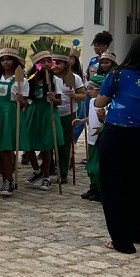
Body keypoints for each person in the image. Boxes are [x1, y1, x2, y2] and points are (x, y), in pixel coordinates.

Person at [95, 34, 140, 254]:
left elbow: (100, 101)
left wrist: (97, 96)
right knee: (137, 187)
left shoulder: (117, 74)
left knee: (114, 188)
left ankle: (122, 241)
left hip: (117, 136)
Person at [0, 38, 29, 196]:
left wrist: (21, 100)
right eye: (3, 60)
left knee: (6, 150)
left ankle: (8, 181)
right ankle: (5, 176)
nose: (6, 62)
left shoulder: (21, 80)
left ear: (15, 61)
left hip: (10, 115)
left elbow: (25, 104)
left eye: (9, 59)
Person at [24, 37, 64, 191]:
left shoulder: (55, 80)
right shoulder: (31, 79)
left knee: (46, 146)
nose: (47, 64)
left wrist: (54, 99)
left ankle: (47, 176)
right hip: (34, 112)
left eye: (49, 61)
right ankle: (37, 170)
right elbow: (27, 98)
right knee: (28, 144)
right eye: (43, 61)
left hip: (48, 113)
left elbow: (60, 101)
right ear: (37, 64)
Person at [51, 43, 86, 183]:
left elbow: (83, 95)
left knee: (65, 143)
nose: (56, 65)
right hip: (52, 112)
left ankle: (63, 172)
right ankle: (51, 168)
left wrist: (74, 96)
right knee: (52, 142)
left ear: (66, 64)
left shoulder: (74, 78)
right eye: (54, 62)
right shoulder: (49, 77)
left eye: (59, 63)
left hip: (68, 114)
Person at [73, 74, 105, 202]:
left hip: (100, 139)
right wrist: (82, 121)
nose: (88, 91)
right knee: (91, 166)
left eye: (92, 89)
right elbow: (91, 117)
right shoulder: (92, 101)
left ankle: (100, 189)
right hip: (91, 139)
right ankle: (93, 187)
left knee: (97, 166)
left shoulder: (106, 103)